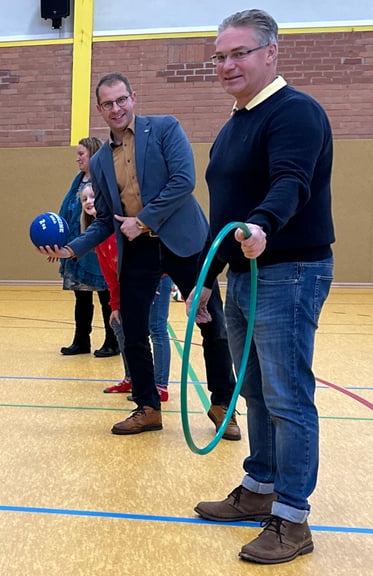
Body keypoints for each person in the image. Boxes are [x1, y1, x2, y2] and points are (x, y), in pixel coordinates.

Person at [193, 9, 334, 564]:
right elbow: (222, 212)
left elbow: (290, 182)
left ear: (271, 53)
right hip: (244, 275)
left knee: (287, 396)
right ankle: (260, 487)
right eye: (220, 56)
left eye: (238, 54)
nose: (227, 64)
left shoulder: (296, 113)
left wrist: (263, 225)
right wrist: (205, 275)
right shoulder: (234, 124)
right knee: (253, 388)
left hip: (289, 271)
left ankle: (292, 518)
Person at [37, 72, 239, 439]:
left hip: (184, 241)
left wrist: (142, 220)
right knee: (131, 329)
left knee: (211, 322)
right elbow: (104, 222)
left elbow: (184, 181)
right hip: (139, 250)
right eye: (108, 104)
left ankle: (223, 403)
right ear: (99, 109)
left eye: (121, 100)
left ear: (133, 98)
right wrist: (70, 249)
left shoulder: (164, 129)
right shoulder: (98, 162)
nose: (116, 109)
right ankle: (147, 407)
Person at [81, 181, 172, 399]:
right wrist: (115, 305)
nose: (89, 201)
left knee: (156, 328)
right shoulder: (98, 237)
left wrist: (147, 285)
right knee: (119, 323)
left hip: (155, 278)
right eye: (84, 199)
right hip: (133, 284)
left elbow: (145, 256)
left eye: (93, 196)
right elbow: (111, 277)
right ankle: (132, 378)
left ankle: (160, 386)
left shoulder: (123, 226)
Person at [55, 138, 116, 357]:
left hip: (98, 248)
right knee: (81, 297)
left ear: (94, 155)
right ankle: (81, 340)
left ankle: (113, 340)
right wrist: (59, 243)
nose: (78, 158)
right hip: (77, 248)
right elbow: (66, 209)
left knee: (106, 296)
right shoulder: (77, 181)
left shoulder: (104, 181)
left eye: (82, 154)